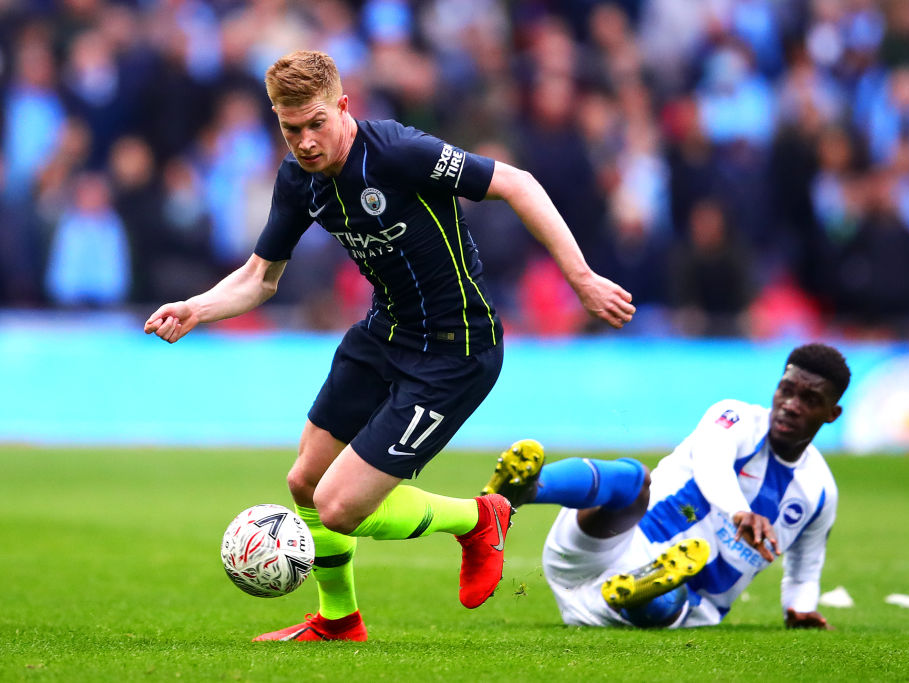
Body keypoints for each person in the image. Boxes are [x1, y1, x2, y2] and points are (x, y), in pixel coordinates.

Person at [144, 50, 635, 641]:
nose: (303, 141)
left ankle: (480, 518)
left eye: (315, 123)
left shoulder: (399, 153)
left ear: (343, 108)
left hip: (455, 351)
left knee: (336, 507)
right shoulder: (299, 180)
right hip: (383, 334)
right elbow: (260, 277)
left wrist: (580, 278)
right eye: (289, 127)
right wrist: (195, 308)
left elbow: (517, 184)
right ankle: (338, 620)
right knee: (305, 481)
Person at [482, 343, 848, 629]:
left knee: (675, 596)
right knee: (635, 479)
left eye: (810, 400)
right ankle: (522, 490)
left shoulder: (818, 491)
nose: (790, 405)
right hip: (602, 547)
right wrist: (739, 511)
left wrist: (800, 609)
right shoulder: (735, 418)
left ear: (832, 414)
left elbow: (805, 566)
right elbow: (711, 462)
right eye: (786, 390)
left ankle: (638, 590)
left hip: (652, 610)